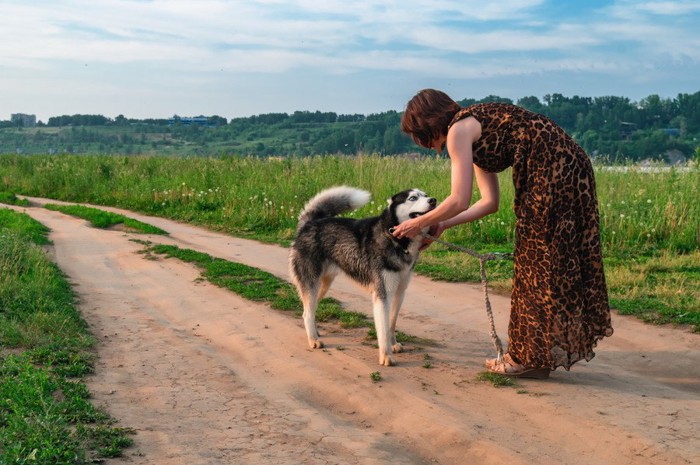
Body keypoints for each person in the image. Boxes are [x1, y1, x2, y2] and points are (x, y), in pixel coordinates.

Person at [392, 89, 614, 378]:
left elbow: (458, 199)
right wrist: (442, 224)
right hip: (568, 164)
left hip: (553, 168)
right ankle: (533, 356)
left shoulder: (458, 130)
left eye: (419, 136)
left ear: (428, 124)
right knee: (540, 260)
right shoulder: (471, 126)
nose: (424, 144)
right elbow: (488, 203)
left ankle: (528, 359)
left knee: (536, 261)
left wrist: (417, 224)